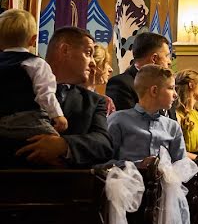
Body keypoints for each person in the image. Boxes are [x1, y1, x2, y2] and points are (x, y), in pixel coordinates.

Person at [10, 27, 113, 167]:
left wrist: (63, 145)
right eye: (88, 53)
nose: (93, 63)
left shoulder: (94, 101)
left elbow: (103, 144)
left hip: (68, 184)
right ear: (65, 50)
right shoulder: (15, 85)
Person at [0, 9, 66, 141]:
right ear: (33, 40)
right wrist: (58, 115)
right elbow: (45, 94)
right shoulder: (35, 63)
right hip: (28, 120)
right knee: (55, 144)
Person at [108, 65, 185, 161]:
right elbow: (103, 162)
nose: (176, 95)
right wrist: (138, 166)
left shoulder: (173, 127)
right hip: (127, 175)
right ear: (154, 91)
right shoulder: (118, 120)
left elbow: (181, 165)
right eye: (171, 88)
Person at [105, 32, 171, 113]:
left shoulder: (166, 85)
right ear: (154, 58)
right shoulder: (120, 84)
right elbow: (128, 121)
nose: (169, 62)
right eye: (167, 56)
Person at [86, 43, 115, 116]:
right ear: (94, 65)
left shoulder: (107, 102)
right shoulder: (66, 96)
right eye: (106, 63)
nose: (111, 69)